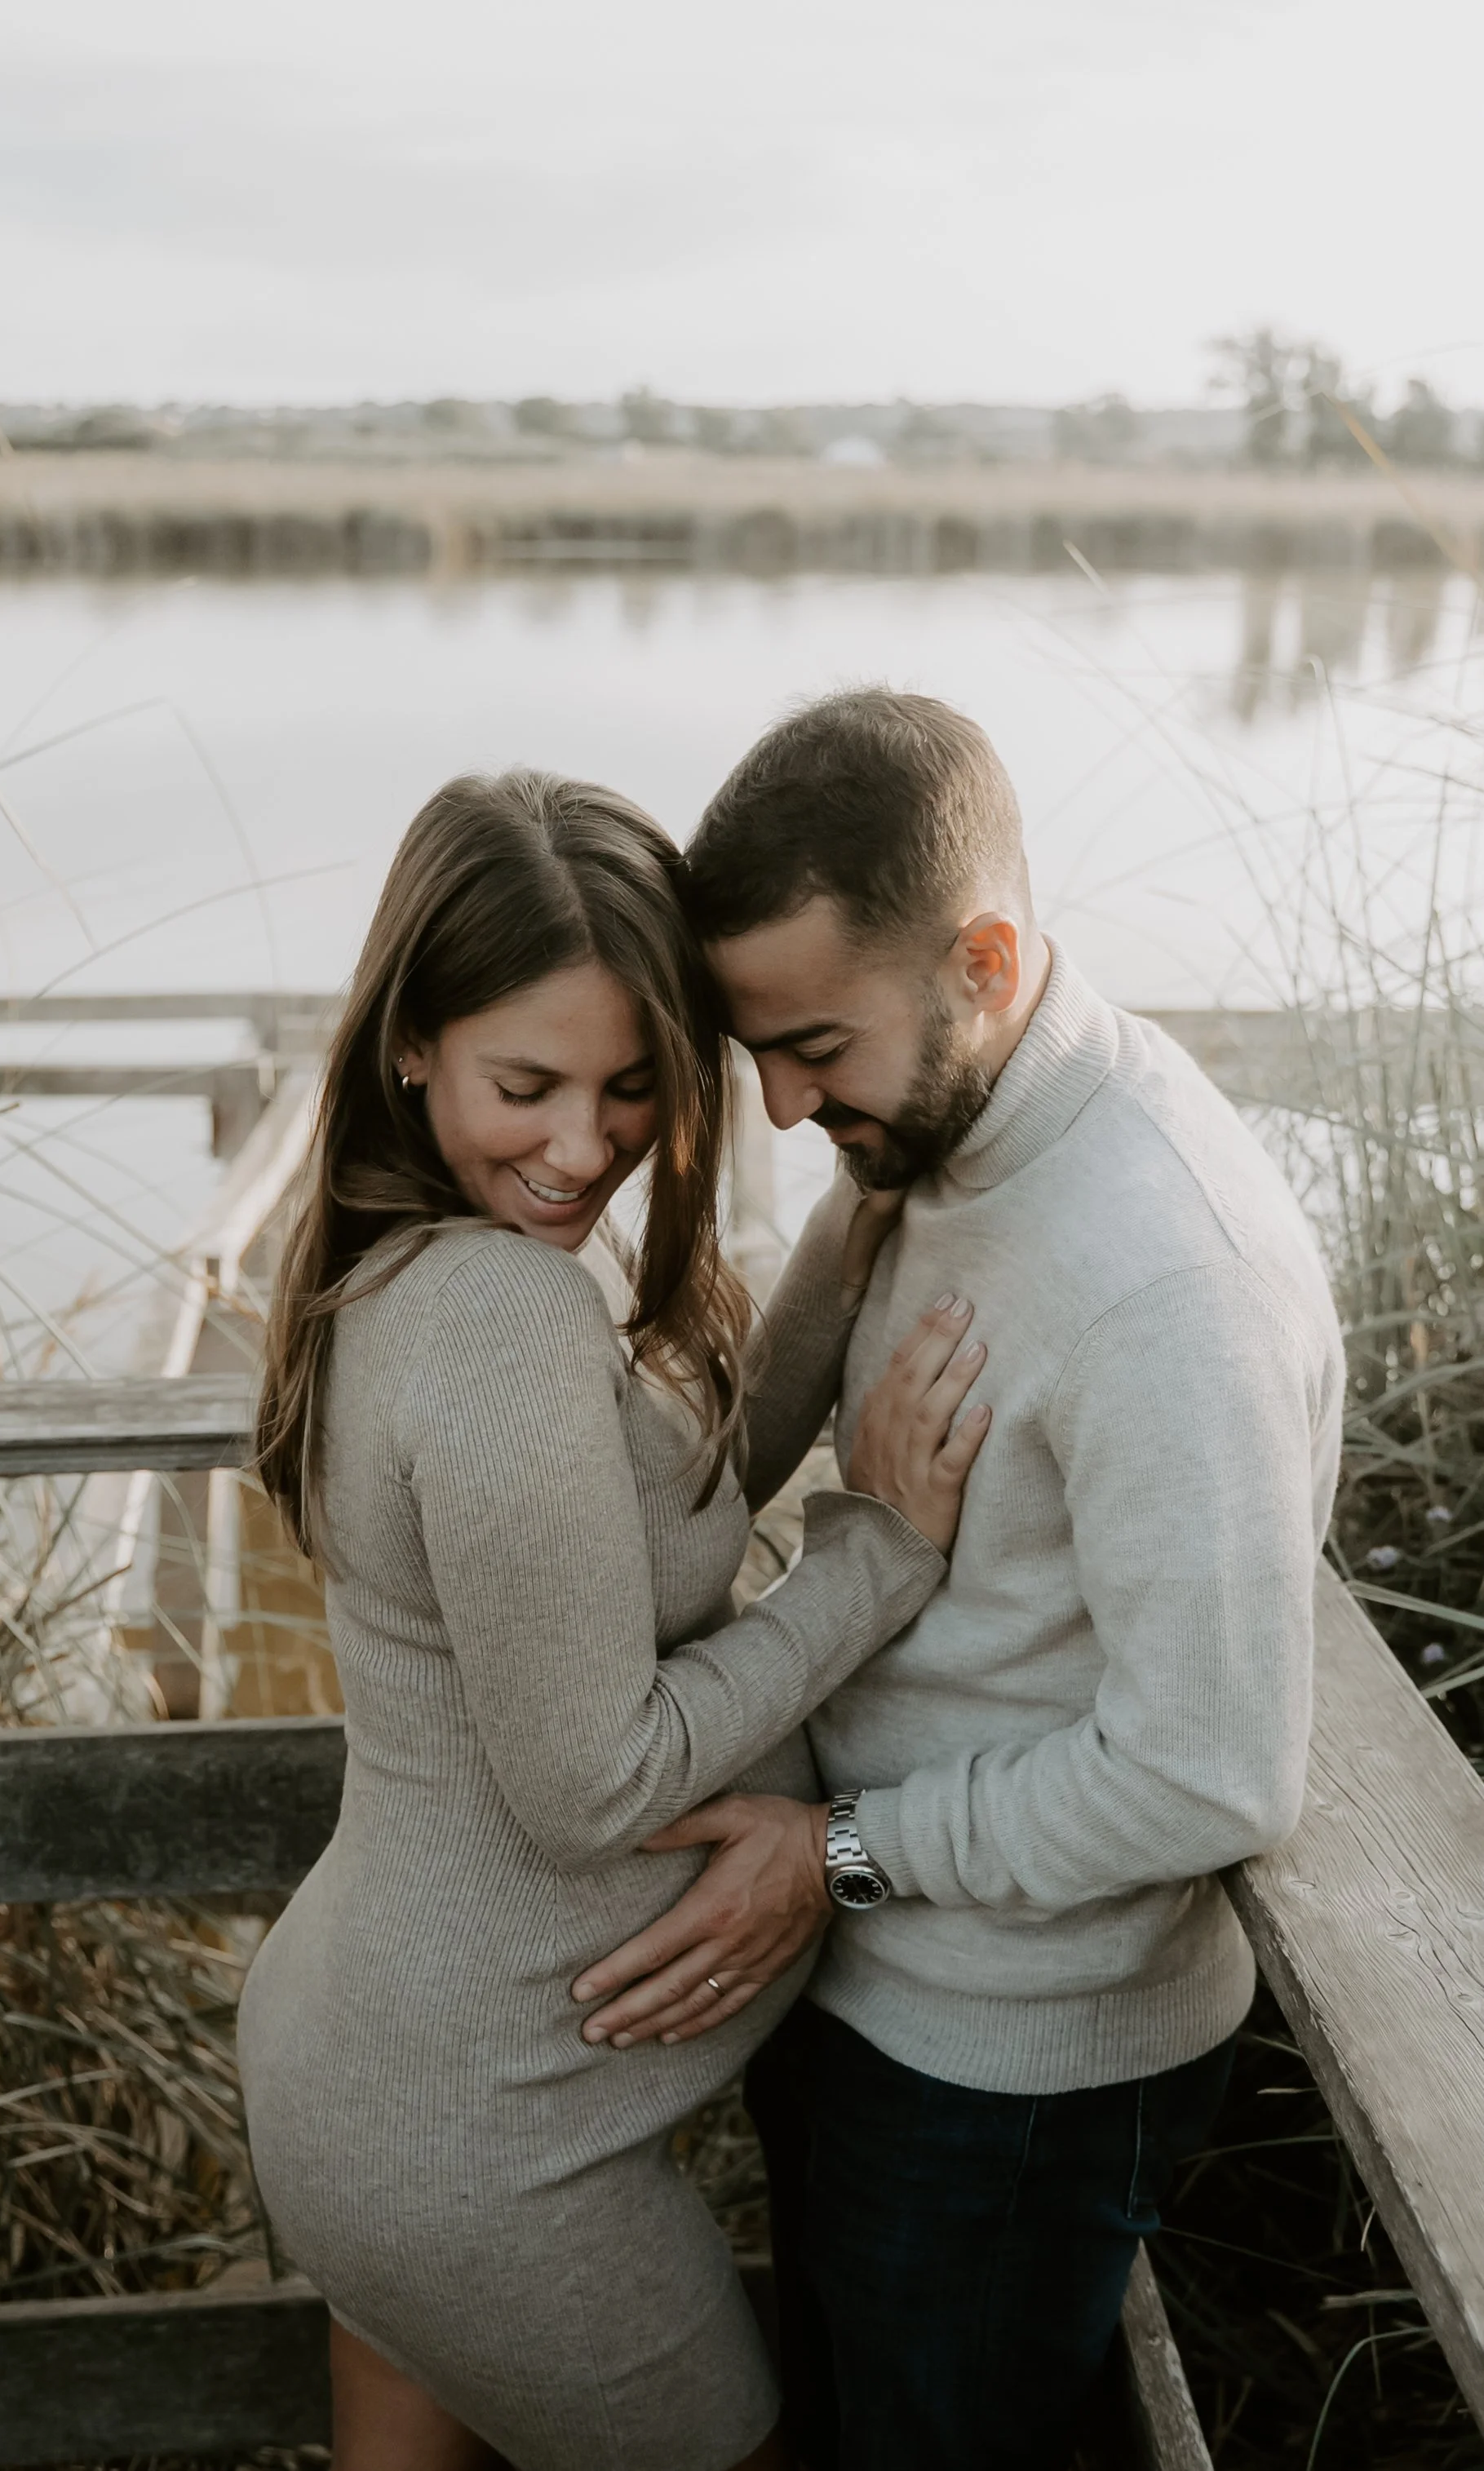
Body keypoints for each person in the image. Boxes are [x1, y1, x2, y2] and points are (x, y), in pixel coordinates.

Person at [572, 689, 1347, 2471]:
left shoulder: (1166, 1282)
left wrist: (835, 1854)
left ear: (983, 962)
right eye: (756, 1051)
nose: (780, 1105)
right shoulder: (939, 1129)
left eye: (812, 1047)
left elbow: (1212, 1769)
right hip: (855, 1979)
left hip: (1009, 2069)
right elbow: (736, 1448)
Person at [237, 767, 990, 2471]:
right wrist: (874, 1557)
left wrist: (858, 1219)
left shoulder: (419, 1253)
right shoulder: (499, 1312)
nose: (583, 1147)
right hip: (484, 2149)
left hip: (388, 2080)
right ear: (411, 1043)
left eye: (634, 1086)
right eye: (528, 1086)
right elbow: (593, 1781)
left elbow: (657, 1501)